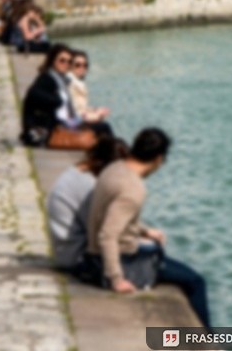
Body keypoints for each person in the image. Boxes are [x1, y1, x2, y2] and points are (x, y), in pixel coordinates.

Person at [83, 128, 211, 328]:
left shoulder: (115, 168)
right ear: (159, 159)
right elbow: (107, 235)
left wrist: (144, 231)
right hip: (118, 263)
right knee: (196, 282)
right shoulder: (134, 189)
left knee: (156, 247)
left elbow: (113, 216)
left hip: (92, 256)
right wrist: (116, 279)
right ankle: (207, 342)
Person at [47, 135, 129, 271]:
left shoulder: (77, 173)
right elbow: (101, 229)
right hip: (77, 257)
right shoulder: (88, 187)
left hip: (66, 250)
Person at [21, 44, 112, 149]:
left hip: (62, 124)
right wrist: (57, 101)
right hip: (44, 132)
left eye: (69, 62)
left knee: (101, 128)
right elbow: (33, 93)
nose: (65, 64)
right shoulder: (47, 78)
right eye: (62, 60)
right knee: (104, 127)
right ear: (52, 61)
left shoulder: (60, 80)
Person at [67, 50, 110, 124]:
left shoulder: (79, 83)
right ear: (71, 66)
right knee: (104, 126)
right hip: (73, 122)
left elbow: (82, 107)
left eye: (85, 65)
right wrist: (96, 116)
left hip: (80, 118)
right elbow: (74, 112)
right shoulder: (69, 84)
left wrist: (95, 109)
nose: (82, 68)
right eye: (78, 65)